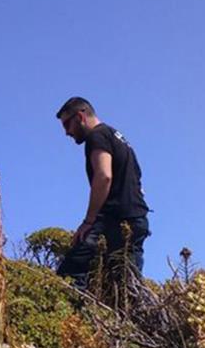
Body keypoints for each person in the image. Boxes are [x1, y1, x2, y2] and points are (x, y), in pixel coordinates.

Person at [55, 96, 151, 287]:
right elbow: (137, 180)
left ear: (80, 117)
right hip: (137, 219)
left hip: (114, 220)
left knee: (71, 274)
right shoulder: (117, 137)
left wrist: (89, 221)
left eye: (67, 124)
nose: (66, 132)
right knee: (124, 285)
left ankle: (73, 307)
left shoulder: (97, 136)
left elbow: (104, 175)